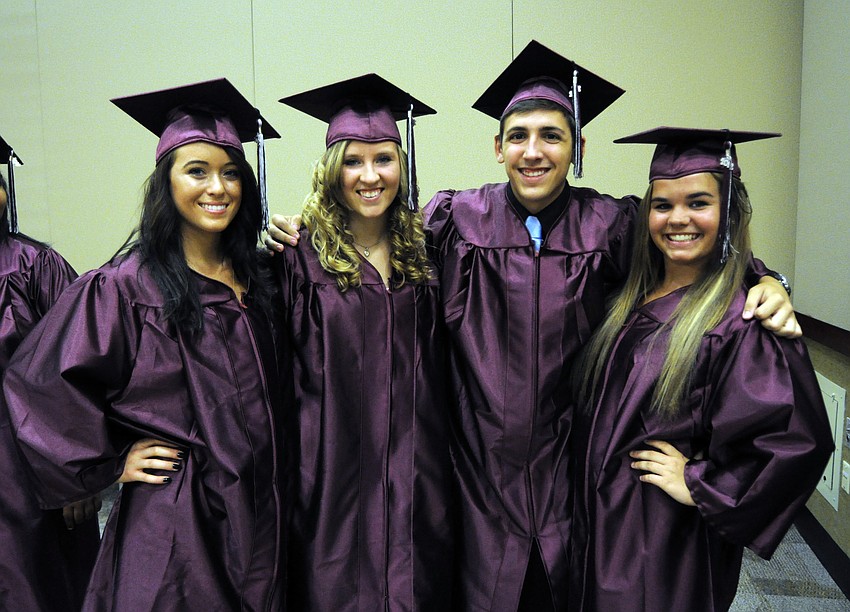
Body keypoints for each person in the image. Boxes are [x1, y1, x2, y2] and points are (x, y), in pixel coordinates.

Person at [266, 41, 797, 611]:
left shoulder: (611, 226)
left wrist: (765, 279)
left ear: (578, 147)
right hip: (476, 482)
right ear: (498, 148)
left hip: (571, 479)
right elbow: (373, 237)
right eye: (518, 136)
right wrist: (302, 230)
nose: (533, 151)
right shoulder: (456, 221)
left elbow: (688, 243)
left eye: (551, 135)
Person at [3, 79, 286, 611]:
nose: (217, 188)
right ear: (166, 182)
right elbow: (39, 383)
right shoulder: (126, 287)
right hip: (180, 522)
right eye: (196, 171)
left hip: (262, 511)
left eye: (230, 173)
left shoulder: (261, 277)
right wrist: (109, 464)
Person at [568, 127, 833, 612]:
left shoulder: (741, 320)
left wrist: (698, 483)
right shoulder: (627, 293)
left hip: (661, 538)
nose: (678, 219)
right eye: (662, 205)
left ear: (728, 213)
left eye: (698, 203)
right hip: (598, 516)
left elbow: (797, 441)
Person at [273, 73, 454, 611]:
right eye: (353, 161)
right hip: (329, 487)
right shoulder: (297, 259)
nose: (370, 176)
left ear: (403, 165)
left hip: (417, 484)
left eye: (384, 159)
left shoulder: (429, 255)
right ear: (332, 170)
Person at [0, 135, 101, 611]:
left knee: (40, 588)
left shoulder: (34, 266)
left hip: (31, 472)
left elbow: (82, 368)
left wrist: (77, 472)